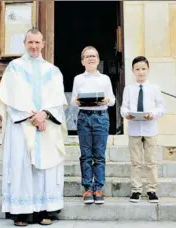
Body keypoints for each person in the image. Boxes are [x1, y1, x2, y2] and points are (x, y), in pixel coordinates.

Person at [0, 28, 67, 226]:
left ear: (43, 44)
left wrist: (45, 115)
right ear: (25, 43)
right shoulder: (14, 68)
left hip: (47, 125)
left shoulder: (52, 70)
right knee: (22, 165)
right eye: (30, 42)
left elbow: (57, 98)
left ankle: (46, 210)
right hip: (22, 125)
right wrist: (32, 115)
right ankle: (22, 213)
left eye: (37, 42)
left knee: (46, 168)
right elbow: (11, 96)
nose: (34, 46)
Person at [71, 46, 115, 204]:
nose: (91, 58)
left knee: (99, 155)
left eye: (94, 56)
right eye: (87, 56)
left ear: (98, 59)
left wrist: (106, 100)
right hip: (84, 117)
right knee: (86, 154)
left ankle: (98, 188)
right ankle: (88, 188)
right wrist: (76, 100)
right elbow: (73, 101)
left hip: (100, 117)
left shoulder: (104, 79)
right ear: (83, 61)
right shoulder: (78, 79)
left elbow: (113, 100)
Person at [120, 56, 166, 203]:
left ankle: (152, 189)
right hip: (134, 129)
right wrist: (127, 114)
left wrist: (153, 114)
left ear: (148, 70)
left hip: (150, 128)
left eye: (143, 69)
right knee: (136, 161)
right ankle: (136, 190)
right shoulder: (128, 89)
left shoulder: (154, 89)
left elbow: (162, 107)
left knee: (151, 160)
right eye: (137, 69)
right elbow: (124, 107)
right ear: (132, 71)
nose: (141, 72)